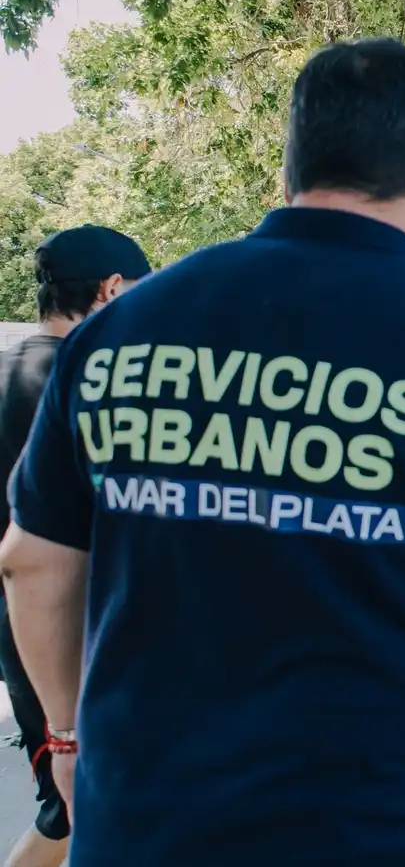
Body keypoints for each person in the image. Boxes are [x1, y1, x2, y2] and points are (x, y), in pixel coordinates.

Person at [0, 38, 405, 867]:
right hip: (388, 836)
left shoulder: (119, 332)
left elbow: (30, 566)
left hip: (146, 830)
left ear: (289, 176)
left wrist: (70, 739)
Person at [0, 225, 151, 867]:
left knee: (75, 814)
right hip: (60, 630)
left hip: (20, 626)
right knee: (78, 813)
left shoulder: (14, 365)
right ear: (110, 290)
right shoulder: (76, 383)